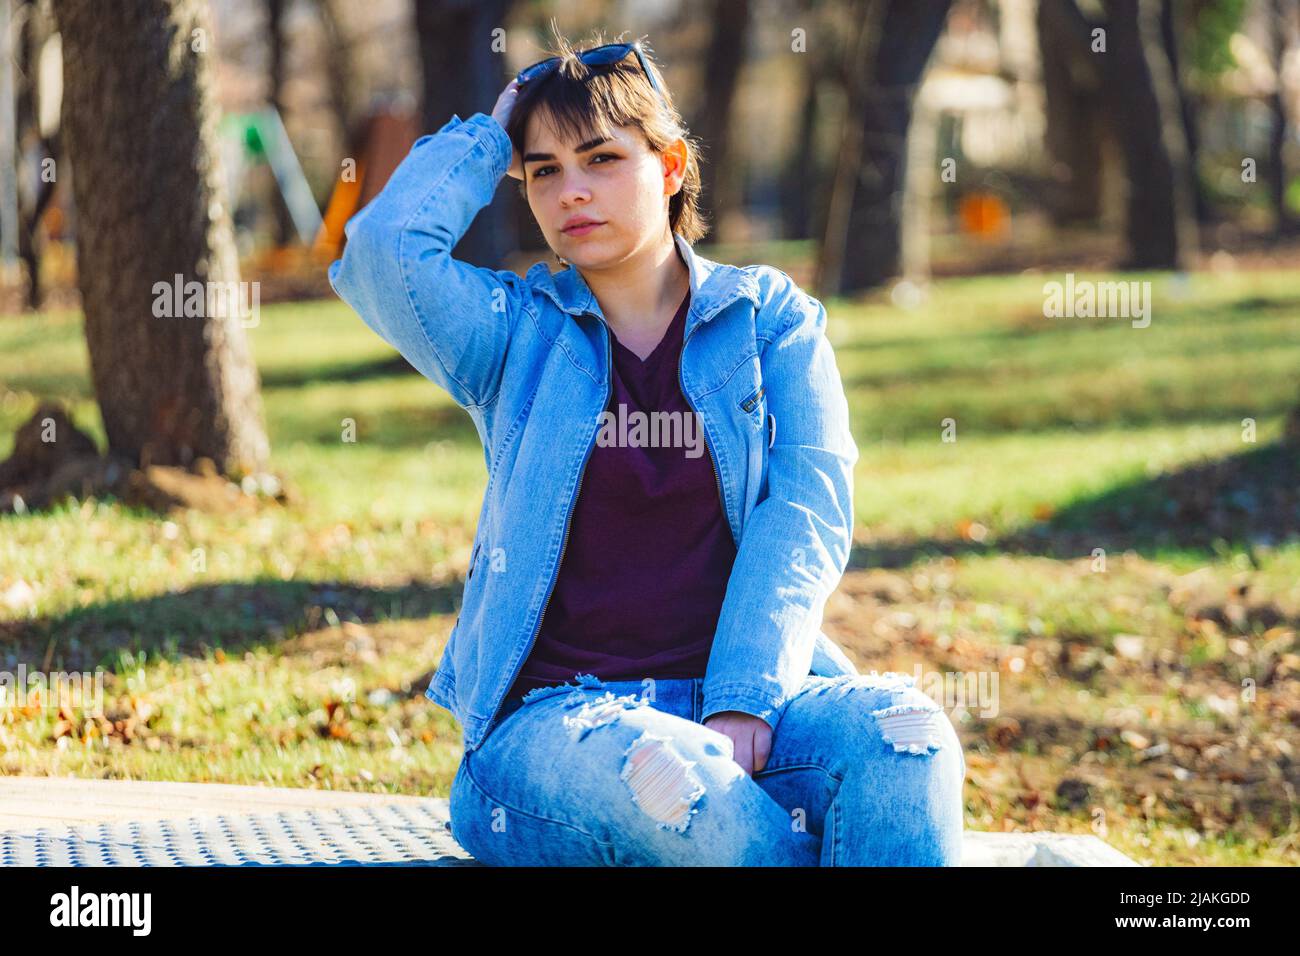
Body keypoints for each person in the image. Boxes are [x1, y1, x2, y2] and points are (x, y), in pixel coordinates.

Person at [328, 27, 965, 866]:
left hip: (743, 700)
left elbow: (803, 515)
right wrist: (491, 135)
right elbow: (381, 253)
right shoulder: (513, 335)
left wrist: (744, 702)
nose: (570, 193)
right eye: (544, 170)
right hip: (558, 726)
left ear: (669, 169)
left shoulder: (771, 321)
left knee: (906, 739)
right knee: (682, 787)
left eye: (601, 159)